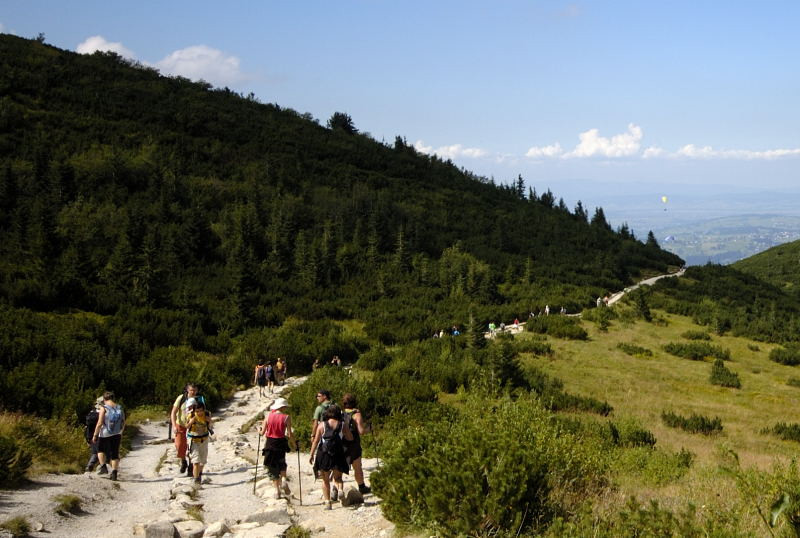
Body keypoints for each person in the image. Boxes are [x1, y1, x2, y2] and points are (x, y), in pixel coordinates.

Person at [309, 405, 353, 509]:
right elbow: (350, 438)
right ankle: (340, 490)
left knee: (325, 479)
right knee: (338, 477)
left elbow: (316, 441)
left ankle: (328, 502)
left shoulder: (322, 425)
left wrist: (311, 454)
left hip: (324, 454)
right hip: (338, 453)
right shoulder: (343, 425)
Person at [260, 397, 296, 499]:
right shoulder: (286, 417)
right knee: (282, 462)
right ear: (283, 407)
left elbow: (262, 432)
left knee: (272, 467)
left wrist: (259, 430)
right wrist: (294, 444)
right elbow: (289, 434)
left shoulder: (268, 416)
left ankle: (277, 492)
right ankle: (284, 480)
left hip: (270, 444)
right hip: (281, 443)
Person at [92, 391, 125, 481]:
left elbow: (99, 423)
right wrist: (121, 432)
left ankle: (103, 467)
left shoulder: (104, 408)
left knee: (100, 449)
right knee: (115, 453)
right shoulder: (119, 408)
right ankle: (114, 473)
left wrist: (95, 435)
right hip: (117, 433)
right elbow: (123, 422)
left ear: (104, 399)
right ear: (113, 398)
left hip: (105, 433)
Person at [342, 394, 371, 494]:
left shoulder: (340, 413)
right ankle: (362, 487)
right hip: (354, 443)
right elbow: (361, 431)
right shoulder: (356, 414)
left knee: (340, 467)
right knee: (357, 467)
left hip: (342, 444)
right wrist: (369, 429)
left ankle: (336, 489)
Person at [171, 383, 200, 475]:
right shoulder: (181, 398)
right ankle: (184, 461)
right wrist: (174, 426)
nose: (193, 392)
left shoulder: (198, 400)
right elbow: (173, 412)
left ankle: (191, 466)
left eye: (195, 390)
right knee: (179, 445)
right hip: (180, 425)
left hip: (193, 426)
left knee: (193, 447)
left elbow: (202, 413)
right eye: (191, 390)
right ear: (187, 390)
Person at [185, 398, 213, 485]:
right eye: (197, 411)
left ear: (204, 410)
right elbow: (186, 426)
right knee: (196, 461)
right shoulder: (190, 416)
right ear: (194, 411)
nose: (199, 413)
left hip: (204, 440)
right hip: (193, 440)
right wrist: (190, 422)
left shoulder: (207, 415)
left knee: (203, 461)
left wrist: (210, 421)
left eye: (201, 411)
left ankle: (199, 473)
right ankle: (196, 479)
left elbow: (211, 426)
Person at [84, 396, 104, 472]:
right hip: (100, 434)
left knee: (95, 451)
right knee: (99, 452)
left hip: (90, 434)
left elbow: (87, 425)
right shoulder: (104, 413)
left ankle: (90, 466)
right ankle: (91, 466)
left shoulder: (92, 412)